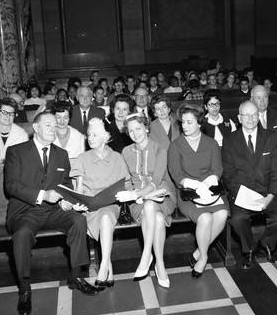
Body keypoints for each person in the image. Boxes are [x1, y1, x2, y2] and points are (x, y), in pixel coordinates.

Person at [4, 112, 99, 315]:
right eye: (48, 125)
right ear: (35, 128)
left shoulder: (61, 154)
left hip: (54, 210)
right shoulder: (16, 152)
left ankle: (76, 277)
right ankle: (24, 289)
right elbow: (11, 185)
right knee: (21, 235)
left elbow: (65, 184)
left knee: (78, 221)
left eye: (55, 126)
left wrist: (67, 200)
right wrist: (42, 195)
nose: (54, 129)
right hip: (26, 211)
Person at [222, 101, 277, 269]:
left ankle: (266, 245)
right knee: (238, 219)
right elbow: (228, 175)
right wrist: (247, 196)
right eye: (246, 115)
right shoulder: (229, 141)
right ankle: (249, 249)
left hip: (268, 193)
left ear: (259, 116)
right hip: (242, 193)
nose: (250, 118)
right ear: (239, 118)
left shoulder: (271, 137)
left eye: (254, 114)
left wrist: (269, 196)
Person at [167, 104, 229, 279]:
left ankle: (197, 252)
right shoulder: (176, 146)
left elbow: (217, 169)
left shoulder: (211, 143)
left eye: (189, 122)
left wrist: (207, 183)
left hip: (211, 190)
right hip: (188, 192)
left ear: (199, 123)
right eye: (183, 122)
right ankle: (204, 257)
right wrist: (195, 185)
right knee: (205, 218)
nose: (184, 126)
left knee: (222, 214)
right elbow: (176, 173)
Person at [70, 118, 130, 289]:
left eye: (95, 134)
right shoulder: (82, 158)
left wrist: (120, 194)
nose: (90, 138)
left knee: (106, 217)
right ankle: (107, 266)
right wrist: (77, 203)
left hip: (110, 205)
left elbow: (125, 185)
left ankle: (102, 265)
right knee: (103, 219)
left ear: (105, 137)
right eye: (89, 134)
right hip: (89, 207)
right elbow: (78, 189)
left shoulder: (117, 158)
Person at [119, 114, 177, 288]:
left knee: (151, 204)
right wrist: (132, 193)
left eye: (138, 128)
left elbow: (156, 181)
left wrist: (139, 195)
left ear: (146, 127)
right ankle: (160, 264)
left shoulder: (160, 149)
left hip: (162, 194)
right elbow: (126, 180)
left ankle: (146, 255)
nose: (135, 133)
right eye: (130, 131)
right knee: (157, 218)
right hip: (137, 200)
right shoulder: (126, 151)